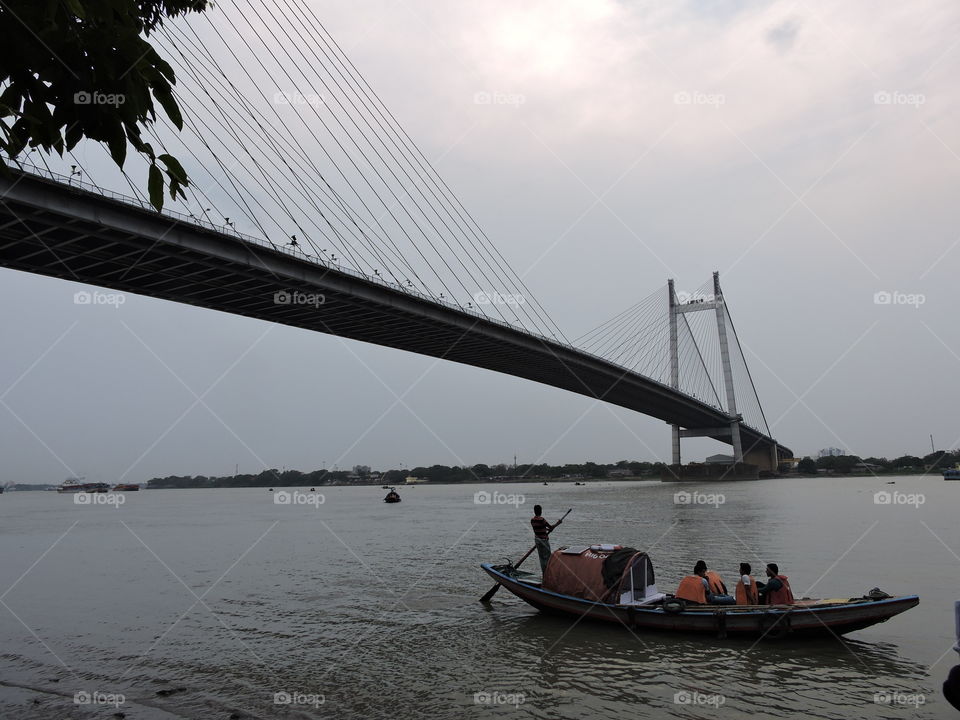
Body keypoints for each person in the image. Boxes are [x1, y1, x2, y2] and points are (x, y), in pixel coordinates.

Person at [530, 505, 555, 573]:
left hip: (537, 541)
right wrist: (557, 524)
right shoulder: (542, 519)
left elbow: (541, 528)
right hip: (544, 540)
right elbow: (550, 527)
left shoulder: (532, 520)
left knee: (542, 558)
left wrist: (547, 529)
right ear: (540, 511)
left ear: (534, 511)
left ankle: (544, 573)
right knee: (548, 558)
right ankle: (548, 573)